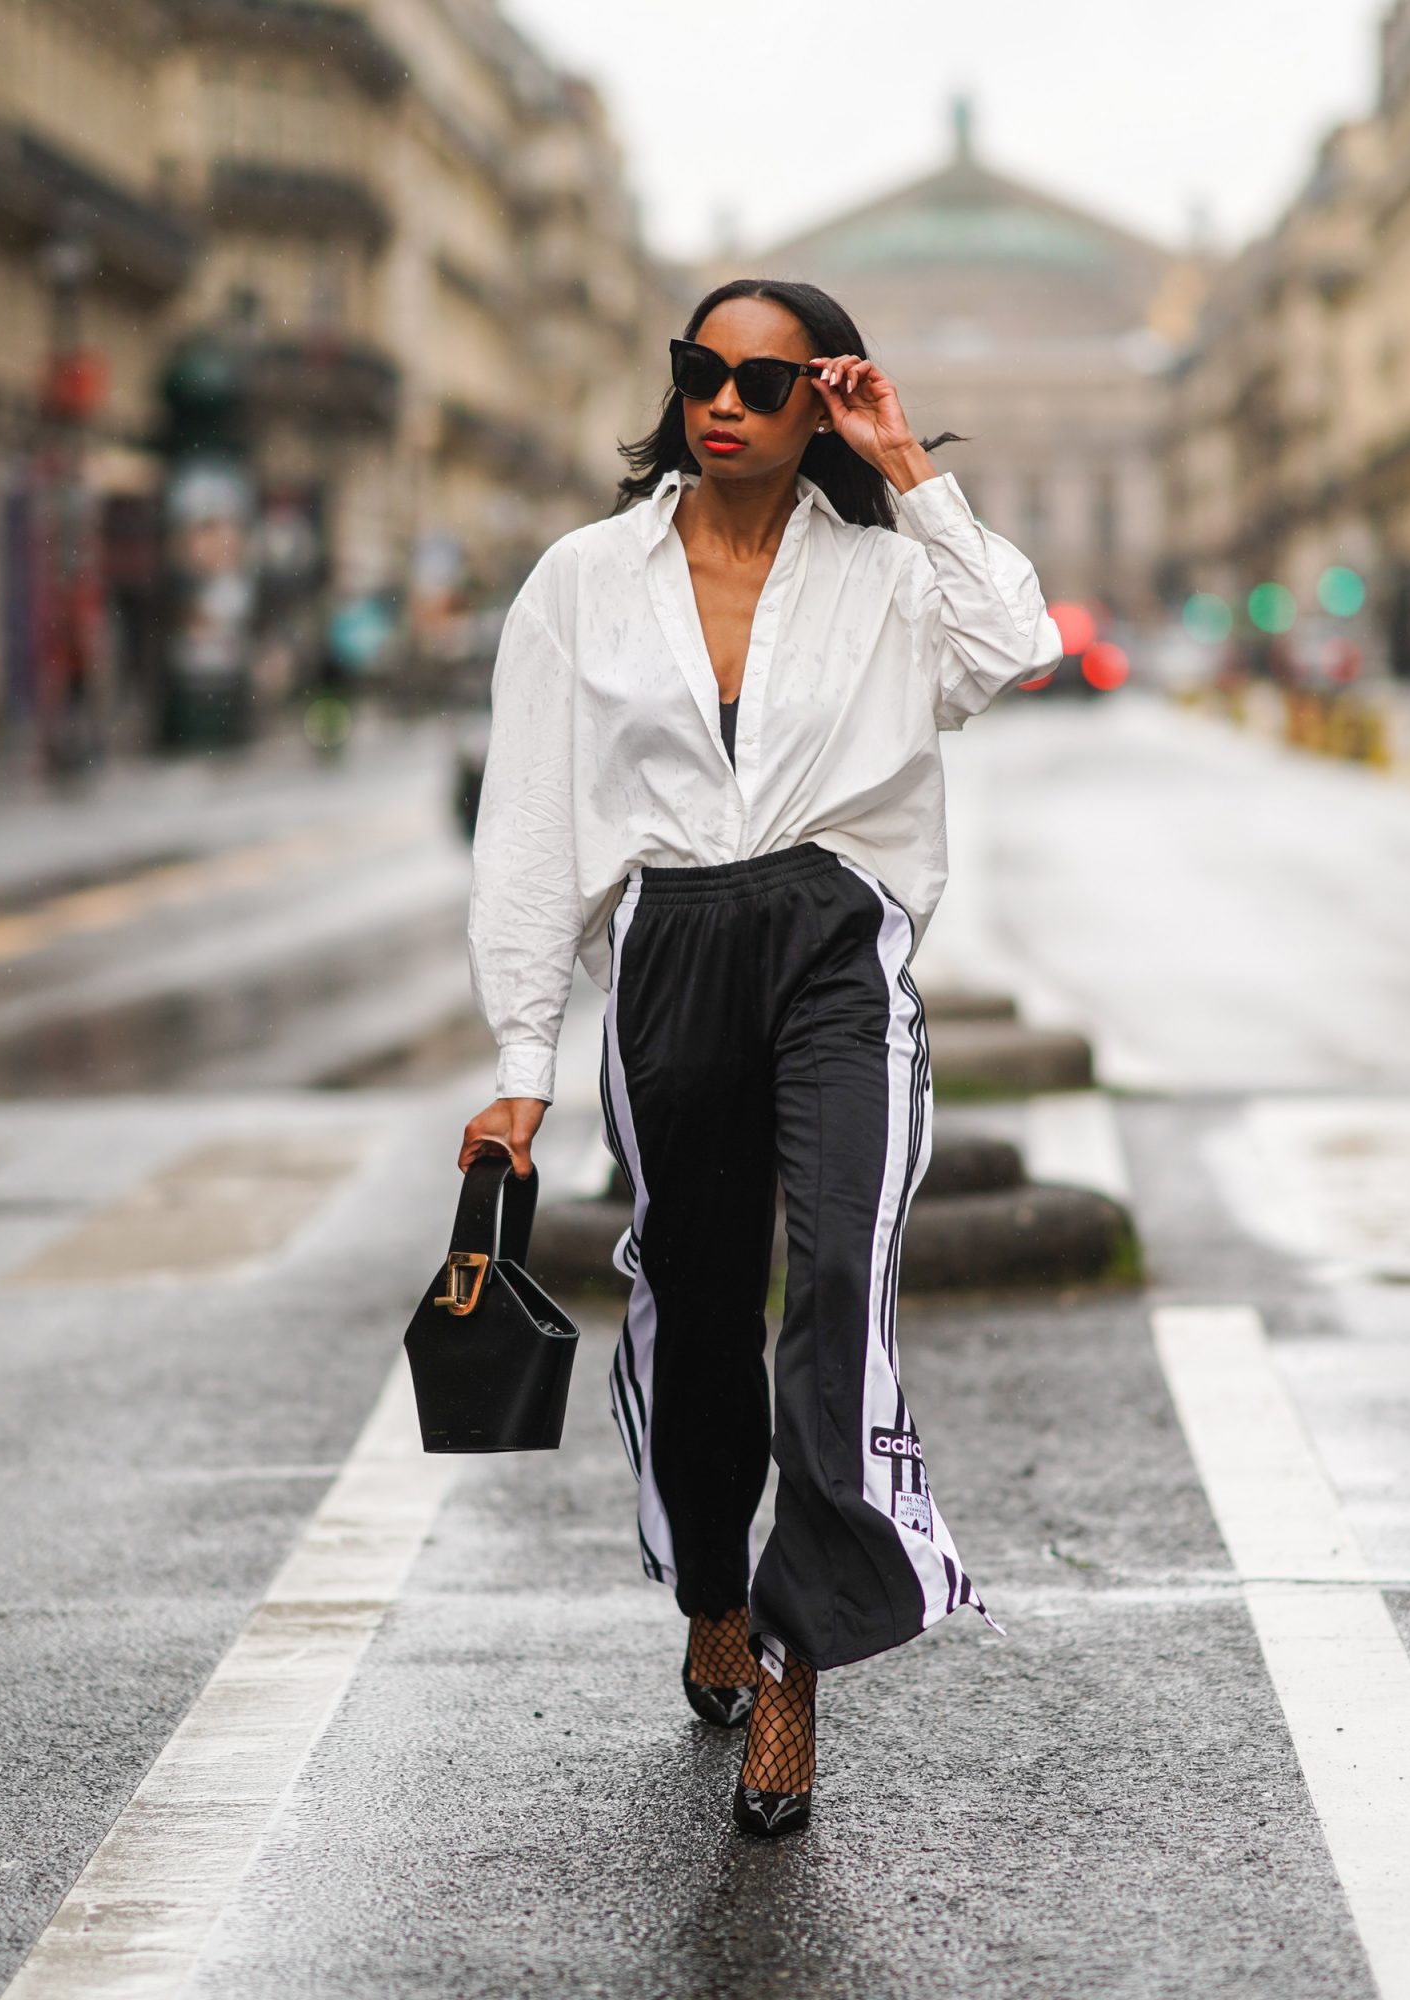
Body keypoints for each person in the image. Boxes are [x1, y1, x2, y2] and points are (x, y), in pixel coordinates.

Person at [460, 277, 1063, 1837]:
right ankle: (715, 1581)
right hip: (670, 947)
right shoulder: (583, 582)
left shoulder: (880, 574)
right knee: (702, 1296)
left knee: (840, 1289)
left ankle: (795, 1662)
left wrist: (909, 469)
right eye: (701, 371)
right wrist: (524, 1057)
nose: (725, 400)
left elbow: (1019, 641)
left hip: (834, 947)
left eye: (767, 379)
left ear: (820, 398)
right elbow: (530, 826)